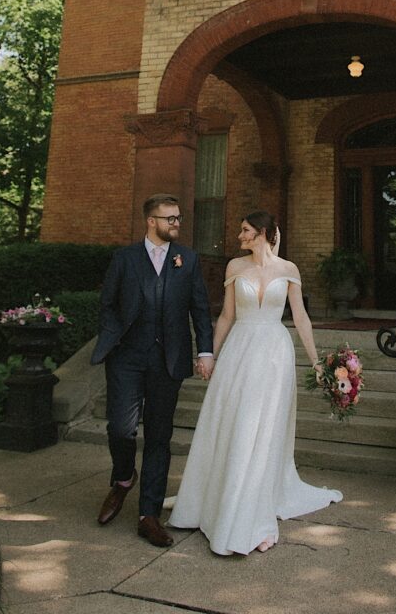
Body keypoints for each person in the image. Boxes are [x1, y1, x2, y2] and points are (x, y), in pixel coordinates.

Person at [169, 210, 342, 555]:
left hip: (275, 355)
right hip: (240, 352)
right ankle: (222, 501)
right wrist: (209, 354)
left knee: (264, 430)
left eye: (245, 230)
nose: (239, 236)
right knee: (236, 424)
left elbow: (301, 317)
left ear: (262, 232)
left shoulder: (289, 270)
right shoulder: (235, 268)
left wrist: (316, 361)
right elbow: (227, 316)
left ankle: (253, 508)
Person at [91, 193, 214, 547]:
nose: (176, 223)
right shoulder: (125, 258)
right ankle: (124, 475)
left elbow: (200, 309)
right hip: (127, 357)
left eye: (178, 218)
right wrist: (113, 338)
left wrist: (205, 350)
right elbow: (108, 304)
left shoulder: (187, 259)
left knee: (159, 437)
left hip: (168, 359)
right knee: (121, 427)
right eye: (169, 218)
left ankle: (149, 515)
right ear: (151, 221)